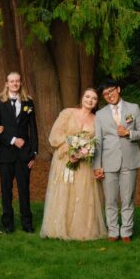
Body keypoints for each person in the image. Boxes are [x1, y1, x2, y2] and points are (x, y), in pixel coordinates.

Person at [41, 84, 103, 242]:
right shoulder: (67, 113)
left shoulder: (97, 119)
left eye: (94, 98)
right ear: (82, 98)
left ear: (97, 102)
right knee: (64, 192)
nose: (90, 100)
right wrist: (72, 150)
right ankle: (59, 228)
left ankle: (82, 229)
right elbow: (55, 135)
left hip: (84, 163)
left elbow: (97, 142)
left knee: (82, 194)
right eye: (88, 97)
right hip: (64, 159)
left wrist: (84, 152)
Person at [92, 78, 140, 243]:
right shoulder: (100, 114)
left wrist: (129, 134)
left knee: (127, 198)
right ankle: (113, 231)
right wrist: (97, 165)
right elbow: (98, 141)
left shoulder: (134, 108)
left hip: (130, 160)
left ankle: (126, 232)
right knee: (110, 200)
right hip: (108, 162)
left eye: (111, 91)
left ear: (118, 89)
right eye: (105, 94)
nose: (109, 96)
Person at [0, 69, 39, 232]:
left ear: (20, 83)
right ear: (6, 84)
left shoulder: (28, 102)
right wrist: (12, 140)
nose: (15, 83)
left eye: (17, 81)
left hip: (24, 154)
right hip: (5, 154)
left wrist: (34, 152)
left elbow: (33, 129)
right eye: (12, 81)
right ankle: (8, 224)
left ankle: (27, 224)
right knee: (6, 190)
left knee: (24, 190)